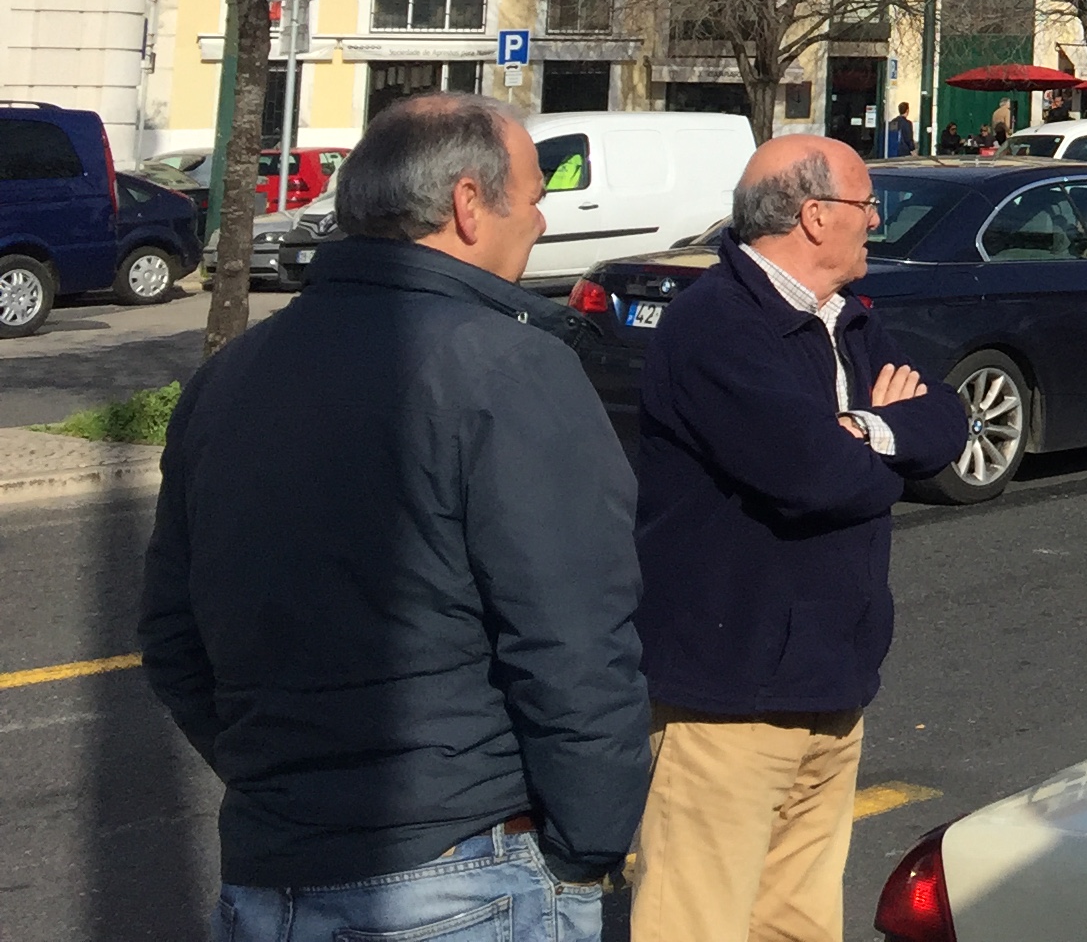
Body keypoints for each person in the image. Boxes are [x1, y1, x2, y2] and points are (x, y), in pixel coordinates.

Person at [142, 96, 650, 940]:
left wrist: (278, 785)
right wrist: (585, 846)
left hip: (271, 872)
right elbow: (574, 641)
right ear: (468, 203)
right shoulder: (510, 367)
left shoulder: (231, 375)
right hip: (460, 868)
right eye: (532, 197)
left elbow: (172, 634)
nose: (541, 220)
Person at [630, 136, 967, 942]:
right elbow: (816, 477)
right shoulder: (719, 325)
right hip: (728, 696)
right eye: (866, 205)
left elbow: (948, 420)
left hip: (832, 682)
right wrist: (881, 444)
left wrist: (865, 429)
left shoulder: (845, 318)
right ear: (815, 216)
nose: (875, 221)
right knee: (695, 922)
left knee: (799, 922)